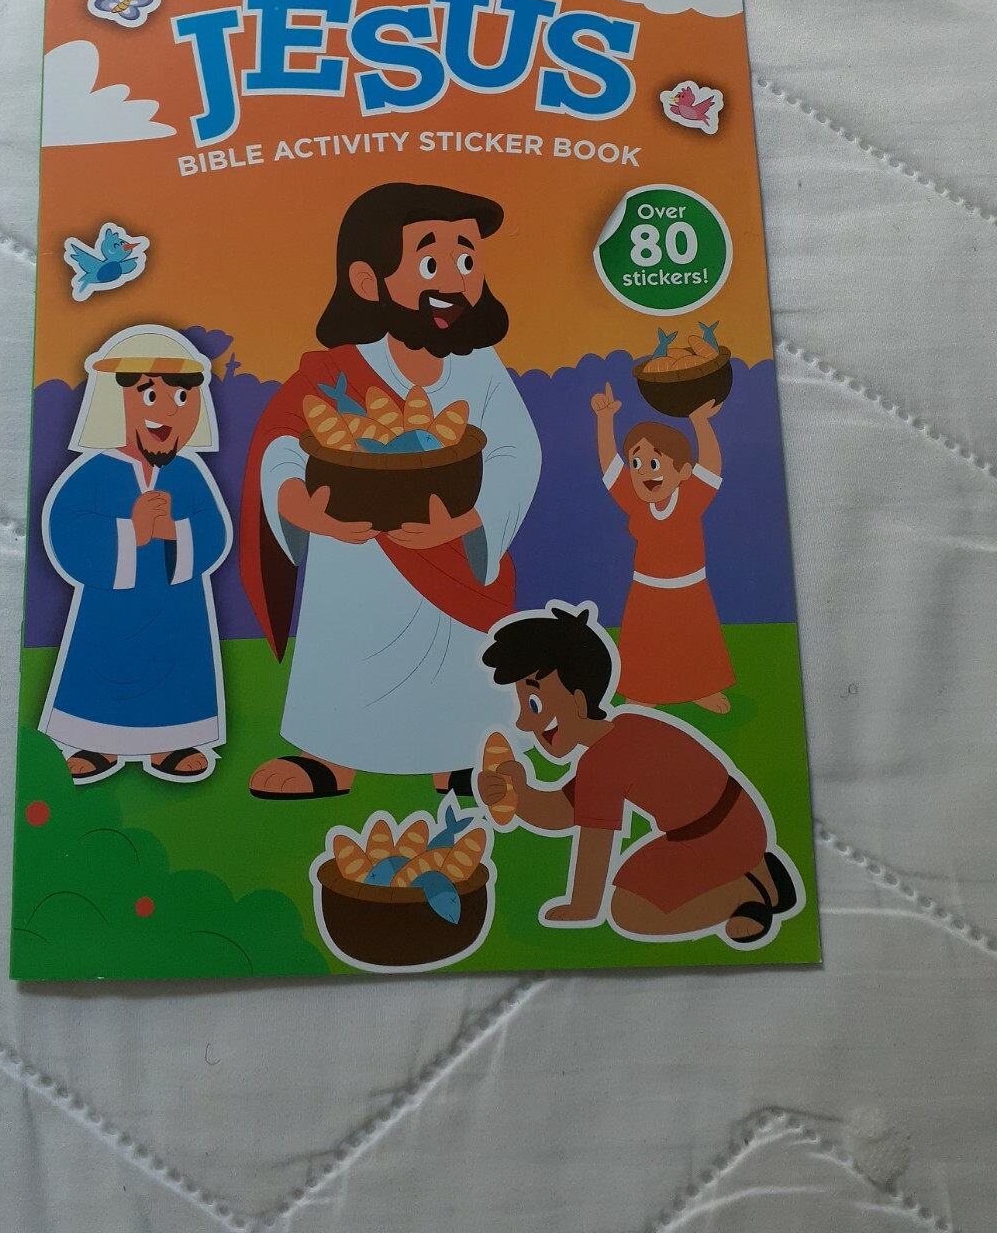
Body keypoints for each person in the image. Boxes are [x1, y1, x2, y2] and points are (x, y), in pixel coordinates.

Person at [240, 182, 542, 799]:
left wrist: (468, 523)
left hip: (453, 554)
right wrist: (299, 506)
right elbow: (282, 441)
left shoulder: (481, 366)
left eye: (467, 260)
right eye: (431, 263)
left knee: (460, 659)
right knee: (350, 641)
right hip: (352, 553)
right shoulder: (334, 369)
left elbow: (517, 450)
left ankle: (461, 754)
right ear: (366, 279)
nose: (454, 280)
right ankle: (330, 756)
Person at [477, 604, 801, 946]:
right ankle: (765, 874)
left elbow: (596, 840)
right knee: (640, 879)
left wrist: (584, 907)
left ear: (579, 701)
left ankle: (746, 894)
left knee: (629, 912)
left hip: (715, 838)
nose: (523, 722)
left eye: (534, 704)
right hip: (740, 823)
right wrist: (520, 795)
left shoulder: (604, 760)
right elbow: (565, 811)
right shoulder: (622, 731)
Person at [38, 326, 232, 785]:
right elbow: (68, 530)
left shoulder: (189, 473)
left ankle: (173, 740)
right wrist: (131, 532)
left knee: (176, 666)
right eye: (149, 395)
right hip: (109, 611)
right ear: (114, 402)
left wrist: (174, 531)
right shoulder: (93, 473)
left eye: (182, 397)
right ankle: (96, 740)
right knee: (101, 665)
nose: (167, 410)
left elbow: (214, 531)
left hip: (176, 608)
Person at [591, 383, 734, 712]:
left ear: (683, 471)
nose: (644, 472)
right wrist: (604, 420)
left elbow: (711, 467)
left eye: (654, 464)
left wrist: (700, 423)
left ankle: (701, 689)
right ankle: (643, 692)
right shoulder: (635, 501)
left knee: (694, 641)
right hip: (647, 590)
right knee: (646, 642)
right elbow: (610, 465)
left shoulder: (691, 498)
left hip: (689, 588)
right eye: (636, 464)